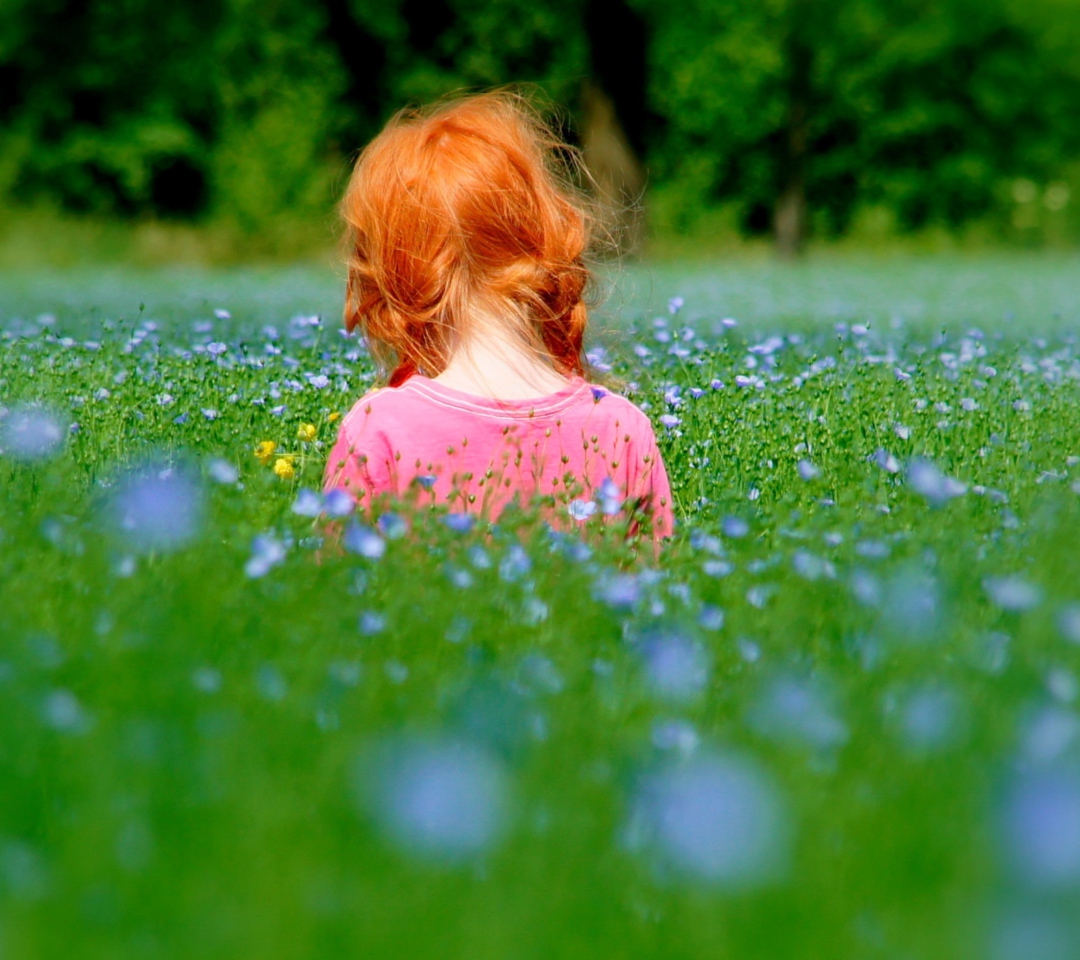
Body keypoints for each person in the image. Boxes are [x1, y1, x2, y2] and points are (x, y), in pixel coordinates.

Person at [323, 91, 673, 539]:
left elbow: (332, 596)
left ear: (392, 276)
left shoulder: (380, 430)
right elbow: (654, 598)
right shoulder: (623, 431)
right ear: (545, 235)